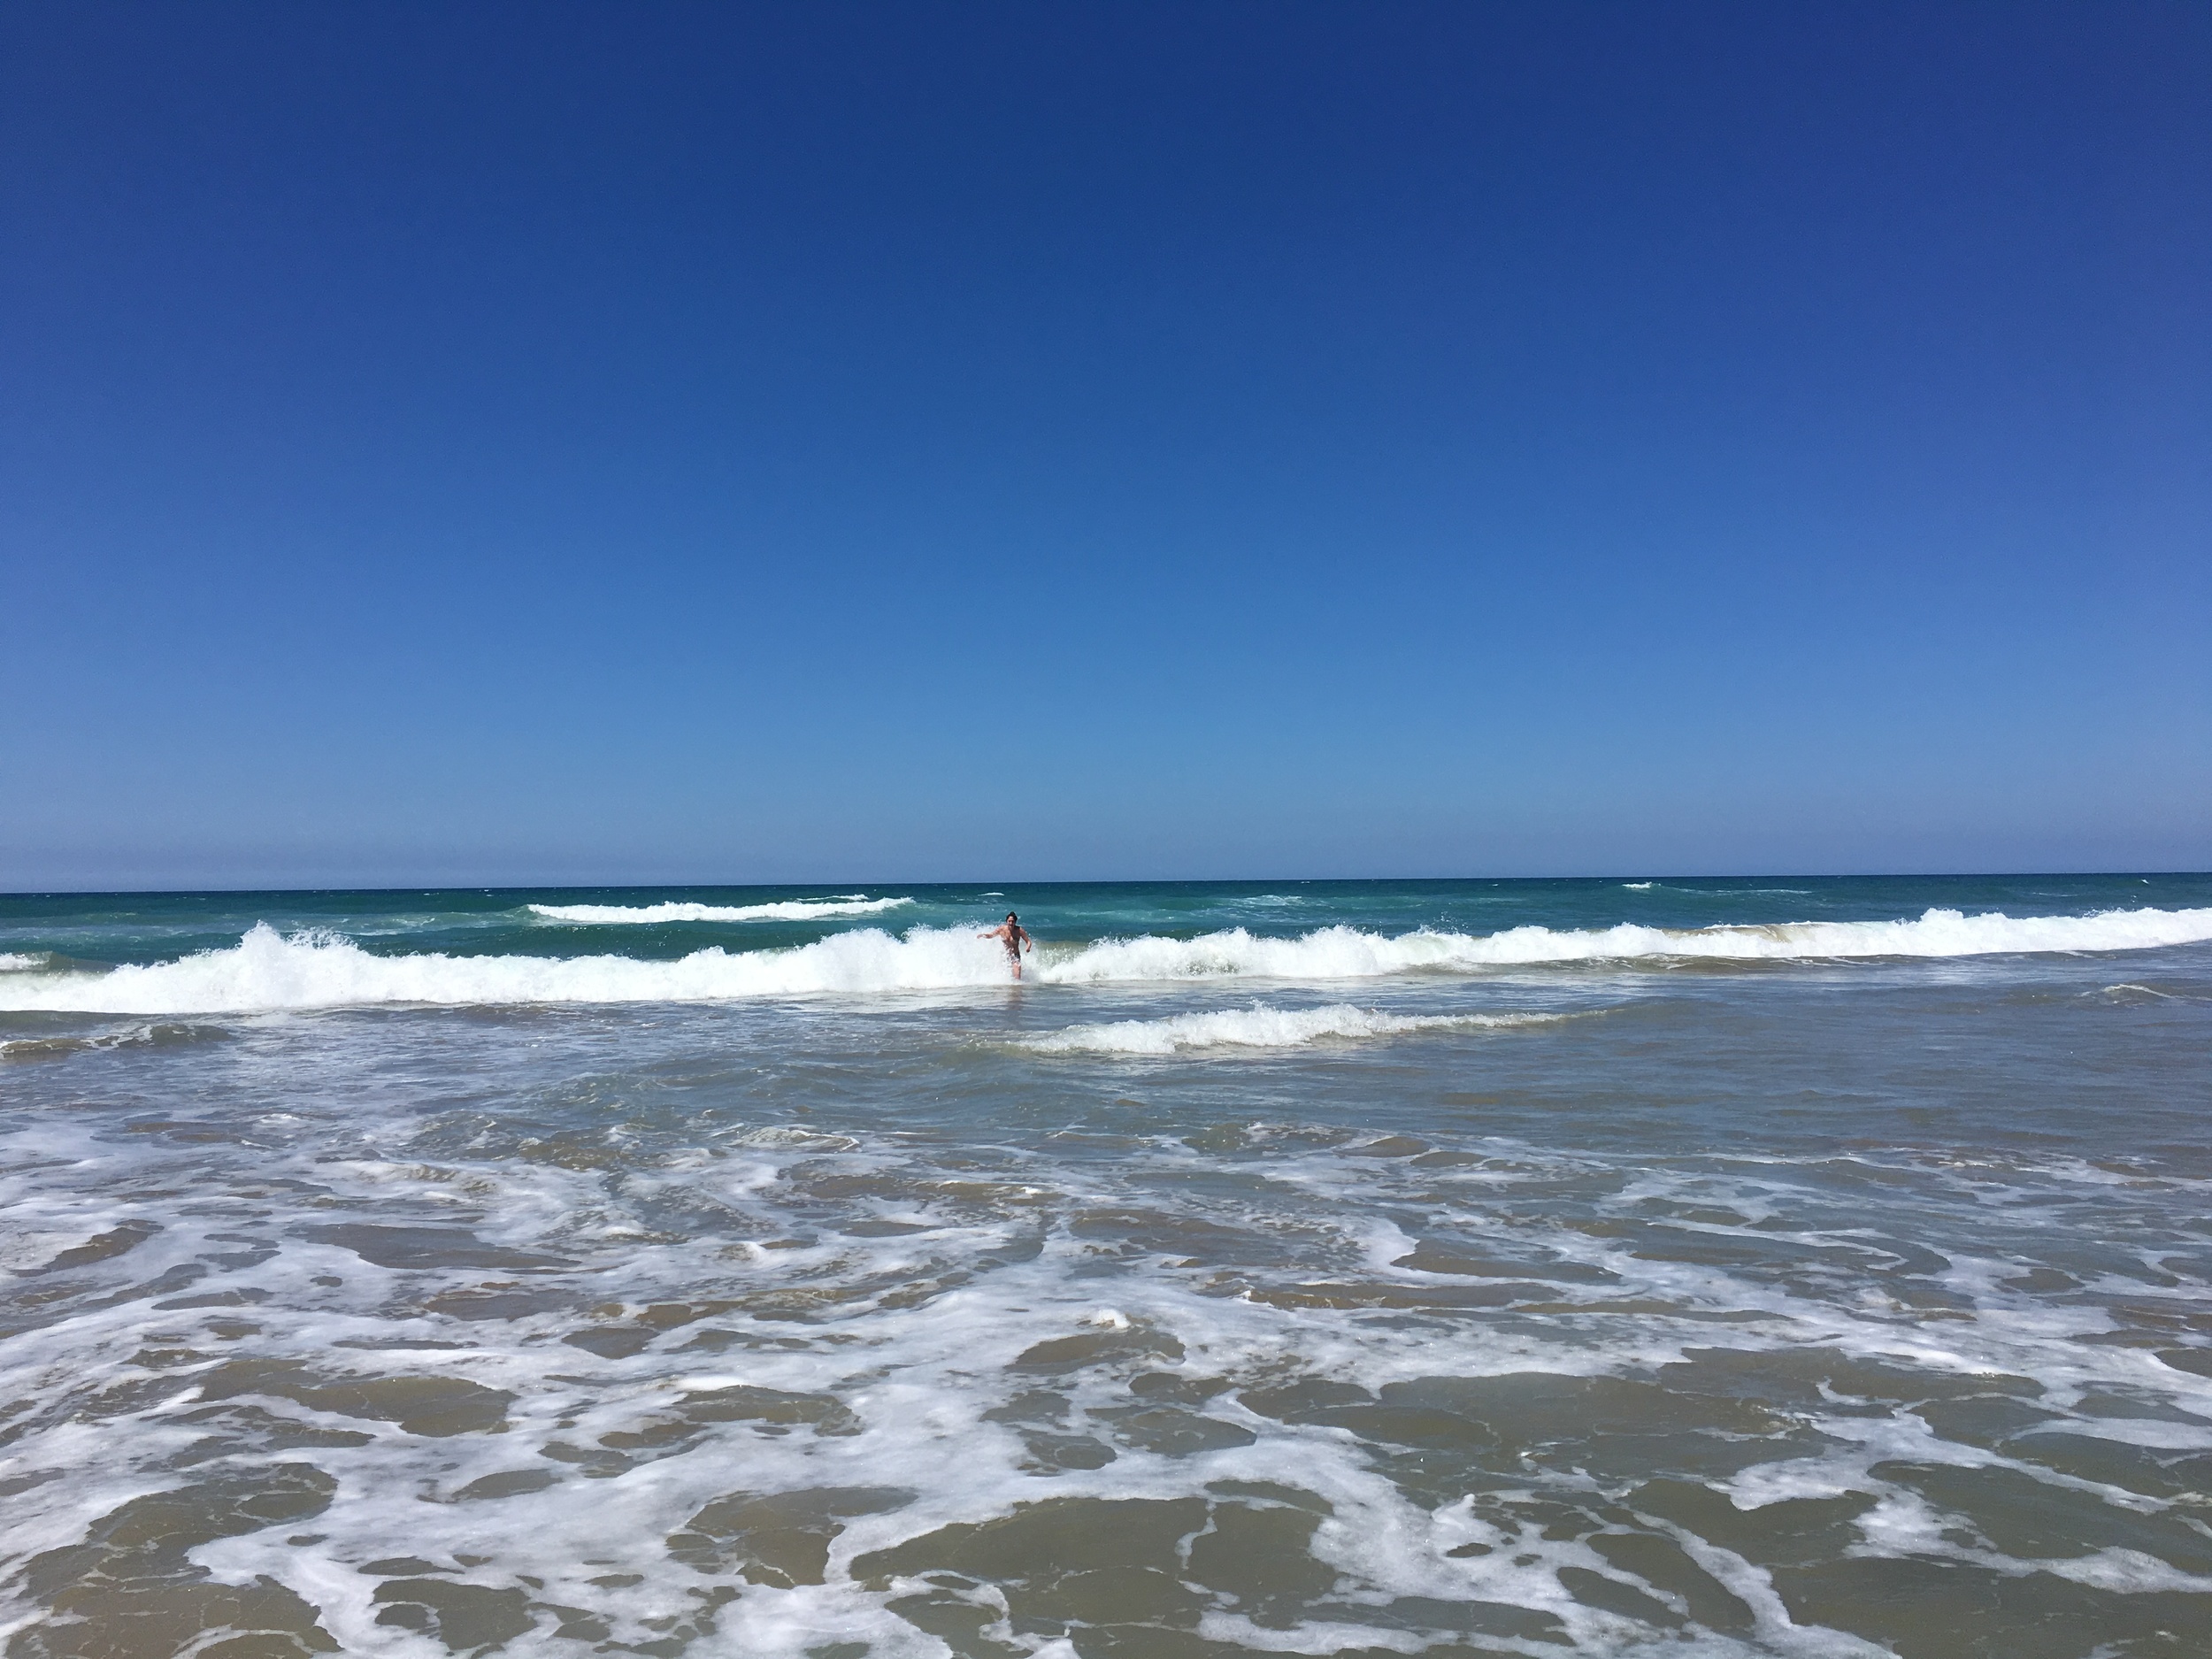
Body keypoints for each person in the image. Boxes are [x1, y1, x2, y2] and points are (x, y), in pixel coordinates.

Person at [979, 911, 1033, 979]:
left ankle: (1016, 989)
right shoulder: (1001, 929)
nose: (1011, 923)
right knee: (1002, 976)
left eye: (1013, 921)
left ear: (1015, 922)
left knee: (1017, 977)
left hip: (1015, 955)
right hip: (1005, 955)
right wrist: (982, 935)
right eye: (1009, 921)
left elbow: (1028, 941)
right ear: (1007, 921)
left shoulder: (1019, 930)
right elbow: (991, 935)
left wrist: (1028, 948)